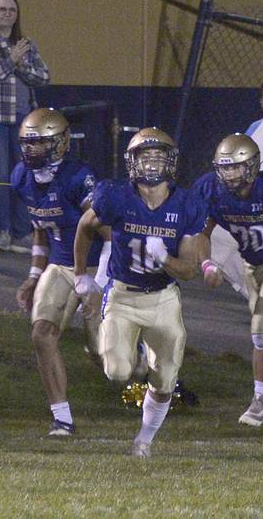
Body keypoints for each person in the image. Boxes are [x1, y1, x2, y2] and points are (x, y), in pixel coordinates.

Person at [73, 128, 204, 458]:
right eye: (144, 158)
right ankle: (138, 355)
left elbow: (189, 270)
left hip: (163, 298)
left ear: (171, 164)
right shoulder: (115, 196)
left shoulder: (186, 204)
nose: (150, 165)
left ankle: (144, 439)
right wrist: (81, 275)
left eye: (158, 158)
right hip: (123, 294)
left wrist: (166, 259)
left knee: (165, 380)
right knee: (116, 371)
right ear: (131, 163)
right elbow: (85, 227)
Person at [194, 133, 263, 426]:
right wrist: (206, 263)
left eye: (236, 167)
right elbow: (201, 233)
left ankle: (260, 400)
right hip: (251, 265)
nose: (230, 174)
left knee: (260, 327)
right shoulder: (211, 189)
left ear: (253, 166)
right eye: (225, 167)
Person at [11, 108, 106, 436]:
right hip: (61, 265)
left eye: (39, 143)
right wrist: (34, 276)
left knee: (103, 356)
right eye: (27, 143)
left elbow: (110, 235)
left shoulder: (79, 177)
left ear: (61, 142)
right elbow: (42, 229)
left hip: (96, 265)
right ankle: (62, 417)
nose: (30, 150)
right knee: (41, 333)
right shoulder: (21, 177)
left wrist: (100, 282)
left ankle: (156, 374)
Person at [0, 0, 50, 252]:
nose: (7, 14)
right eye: (2, 9)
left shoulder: (26, 45)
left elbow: (43, 77)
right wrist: (10, 62)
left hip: (23, 120)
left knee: (24, 175)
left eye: (12, 10)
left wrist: (18, 63)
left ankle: (22, 233)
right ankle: (3, 232)